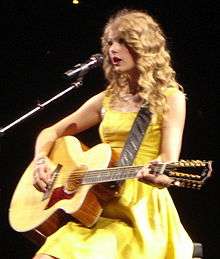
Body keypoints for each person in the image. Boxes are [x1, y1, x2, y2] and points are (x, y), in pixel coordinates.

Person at [32, 8, 193, 259]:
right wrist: (40, 161)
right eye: (109, 42)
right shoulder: (106, 99)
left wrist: (158, 175)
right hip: (95, 205)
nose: (112, 49)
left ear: (144, 47)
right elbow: (50, 132)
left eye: (122, 42)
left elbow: (168, 161)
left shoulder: (170, 97)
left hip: (138, 212)